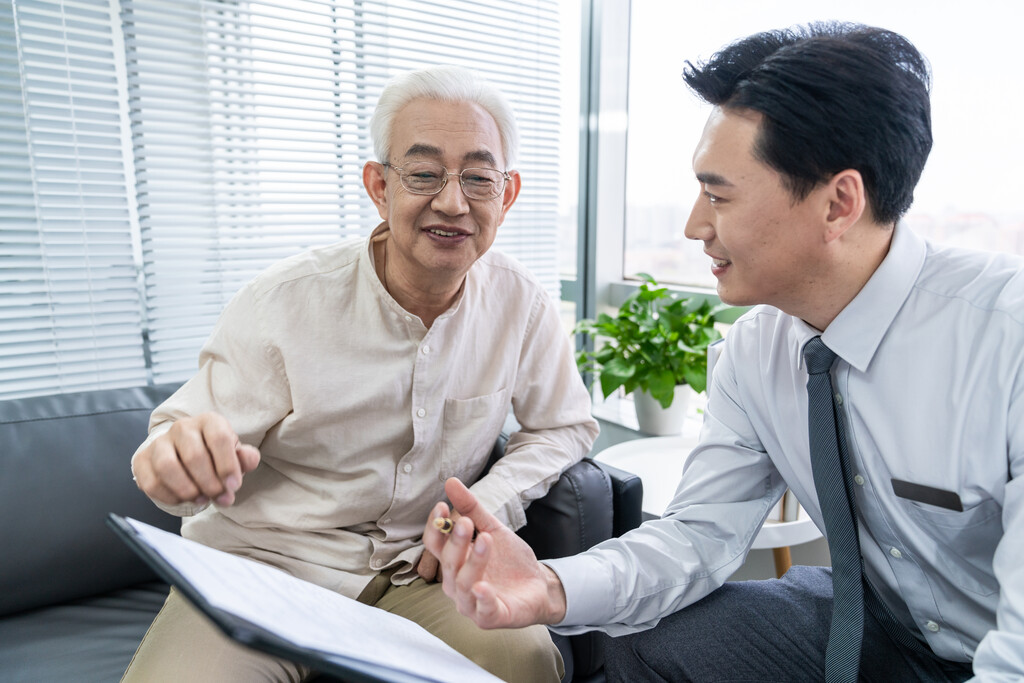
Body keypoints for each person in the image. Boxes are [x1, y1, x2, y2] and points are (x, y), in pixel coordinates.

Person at [425, 22, 1024, 682]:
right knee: (650, 640)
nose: (693, 225)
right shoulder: (755, 351)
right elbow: (699, 535)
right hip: (879, 618)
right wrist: (548, 586)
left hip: (999, 636)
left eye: (718, 194)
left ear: (838, 203)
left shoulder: (1004, 338)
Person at [125, 64, 598, 683]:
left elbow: (565, 427)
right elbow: (175, 448)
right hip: (265, 568)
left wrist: (486, 505)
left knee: (527, 660)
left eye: (478, 178)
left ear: (505, 196)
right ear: (380, 186)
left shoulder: (522, 303)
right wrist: (171, 461)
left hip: (418, 571)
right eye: (424, 174)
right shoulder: (284, 302)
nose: (452, 202)